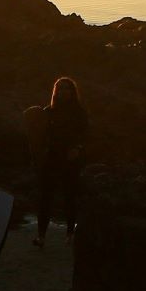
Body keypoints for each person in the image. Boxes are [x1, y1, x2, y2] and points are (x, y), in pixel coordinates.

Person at [31, 75, 89, 247]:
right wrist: (38, 157)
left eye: (67, 88)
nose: (64, 91)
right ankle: (41, 236)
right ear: (55, 92)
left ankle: (70, 233)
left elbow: (85, 134)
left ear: (73, 92)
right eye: (60, 88)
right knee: (45, 197)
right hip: (51, 157)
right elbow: (38, 136)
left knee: (70, 196)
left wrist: (77, 148)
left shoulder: (79, 112)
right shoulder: (48, 112)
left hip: (71, 158)